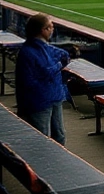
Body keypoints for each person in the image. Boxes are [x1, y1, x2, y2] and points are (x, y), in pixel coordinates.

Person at [15, 13, 76, 144]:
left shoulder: (42, 47)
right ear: (43, 30)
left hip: (54, 96)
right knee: (41, 139)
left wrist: (65, 56)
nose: (53, 30)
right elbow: (45, 72)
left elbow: (59, 54)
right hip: (38, 101)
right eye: (50, 27)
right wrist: (60, 64)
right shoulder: (29, 51)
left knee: (59, 135)